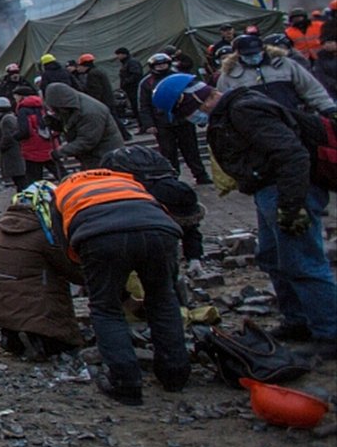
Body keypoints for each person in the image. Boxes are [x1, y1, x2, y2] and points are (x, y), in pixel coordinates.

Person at [161, 75, 337, 360]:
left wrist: (292, 206)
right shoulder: (232, 112)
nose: (187, 119)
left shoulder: (243, 111)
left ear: (190, 99)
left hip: (286, 190)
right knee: (272, 257)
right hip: (271, 189)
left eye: (183, 112)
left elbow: (292, 154)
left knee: (303, 263)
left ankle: (329, 333)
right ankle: (298, 321)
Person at [50, 170, 190, 405]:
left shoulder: (62, 193)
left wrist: (89, 273)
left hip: (99, 236)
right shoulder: (126, 179)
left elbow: (64, 243)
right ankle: (175, 373)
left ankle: (126, 382)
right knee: (163, 299)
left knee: (106, 308)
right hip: (158, 229)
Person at [0, 186, 82, 360]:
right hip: (36, 308)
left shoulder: (5, 227)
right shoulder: (43, 233)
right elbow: (68, 269)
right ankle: (39, 342)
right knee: (62, 343)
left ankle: (14, 338)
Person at [215, 33, 336, 115]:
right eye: (247, 55)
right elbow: (223, 105)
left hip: (295, 118)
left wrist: (328, 108)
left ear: (263, 50)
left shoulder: (285, 64)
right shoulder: (229, 75)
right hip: (255, 128)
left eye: (255, 53)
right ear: (238, 54)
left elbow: (311, 89)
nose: (252, 57)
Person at [138, 52, 211, 183]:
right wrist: (149, 124)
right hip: (162, 122)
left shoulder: (180, 77)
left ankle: (200, 175)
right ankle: (172, 177)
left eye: (164, 64)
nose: (161, 67)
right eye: (158, 65)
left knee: (191, 149)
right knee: (168, 152)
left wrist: (199, 116)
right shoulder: (147, 83)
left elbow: (194, 97)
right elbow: (144, 105)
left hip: (184, 119)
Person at [43, 81, 124, 170]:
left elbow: (87, 141)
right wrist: (55, 123)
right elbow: (70, 125)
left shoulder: (90, 112)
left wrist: (62, 151)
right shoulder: (71, 106)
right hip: (92, 156)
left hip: (105, 156)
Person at [0, 96, 26, 191]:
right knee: (19, 181)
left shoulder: (7, 119)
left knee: (20, 181)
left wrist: (1, 147)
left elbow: (8, 136)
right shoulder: (8, 118)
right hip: (13, 155)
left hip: (13, 155)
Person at [114, 48, 145, 124]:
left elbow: (136, 74)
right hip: (131, 89)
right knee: (134, 107)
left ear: (124, 54)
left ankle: (143, 125)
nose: (118, 57)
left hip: (134, 89)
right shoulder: (127, 63)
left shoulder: (131, 62)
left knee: (137, 107)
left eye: (119, 54)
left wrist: (126, 82)